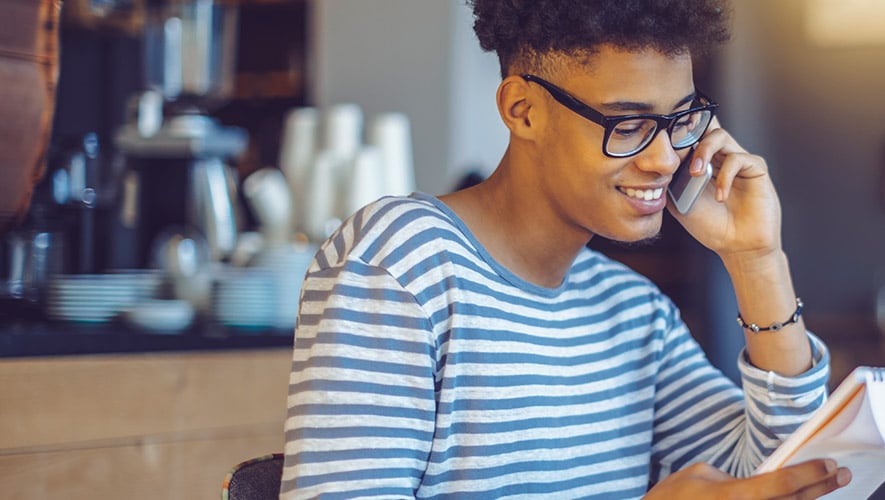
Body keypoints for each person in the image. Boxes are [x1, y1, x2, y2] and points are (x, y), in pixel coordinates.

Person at [279, 1, 851, 498]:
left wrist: (756, 260)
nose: (666, 158)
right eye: (628, 124)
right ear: (522, 110)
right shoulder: (399, 263)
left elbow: (797, 476)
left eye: (680, 122)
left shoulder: (632, 312)